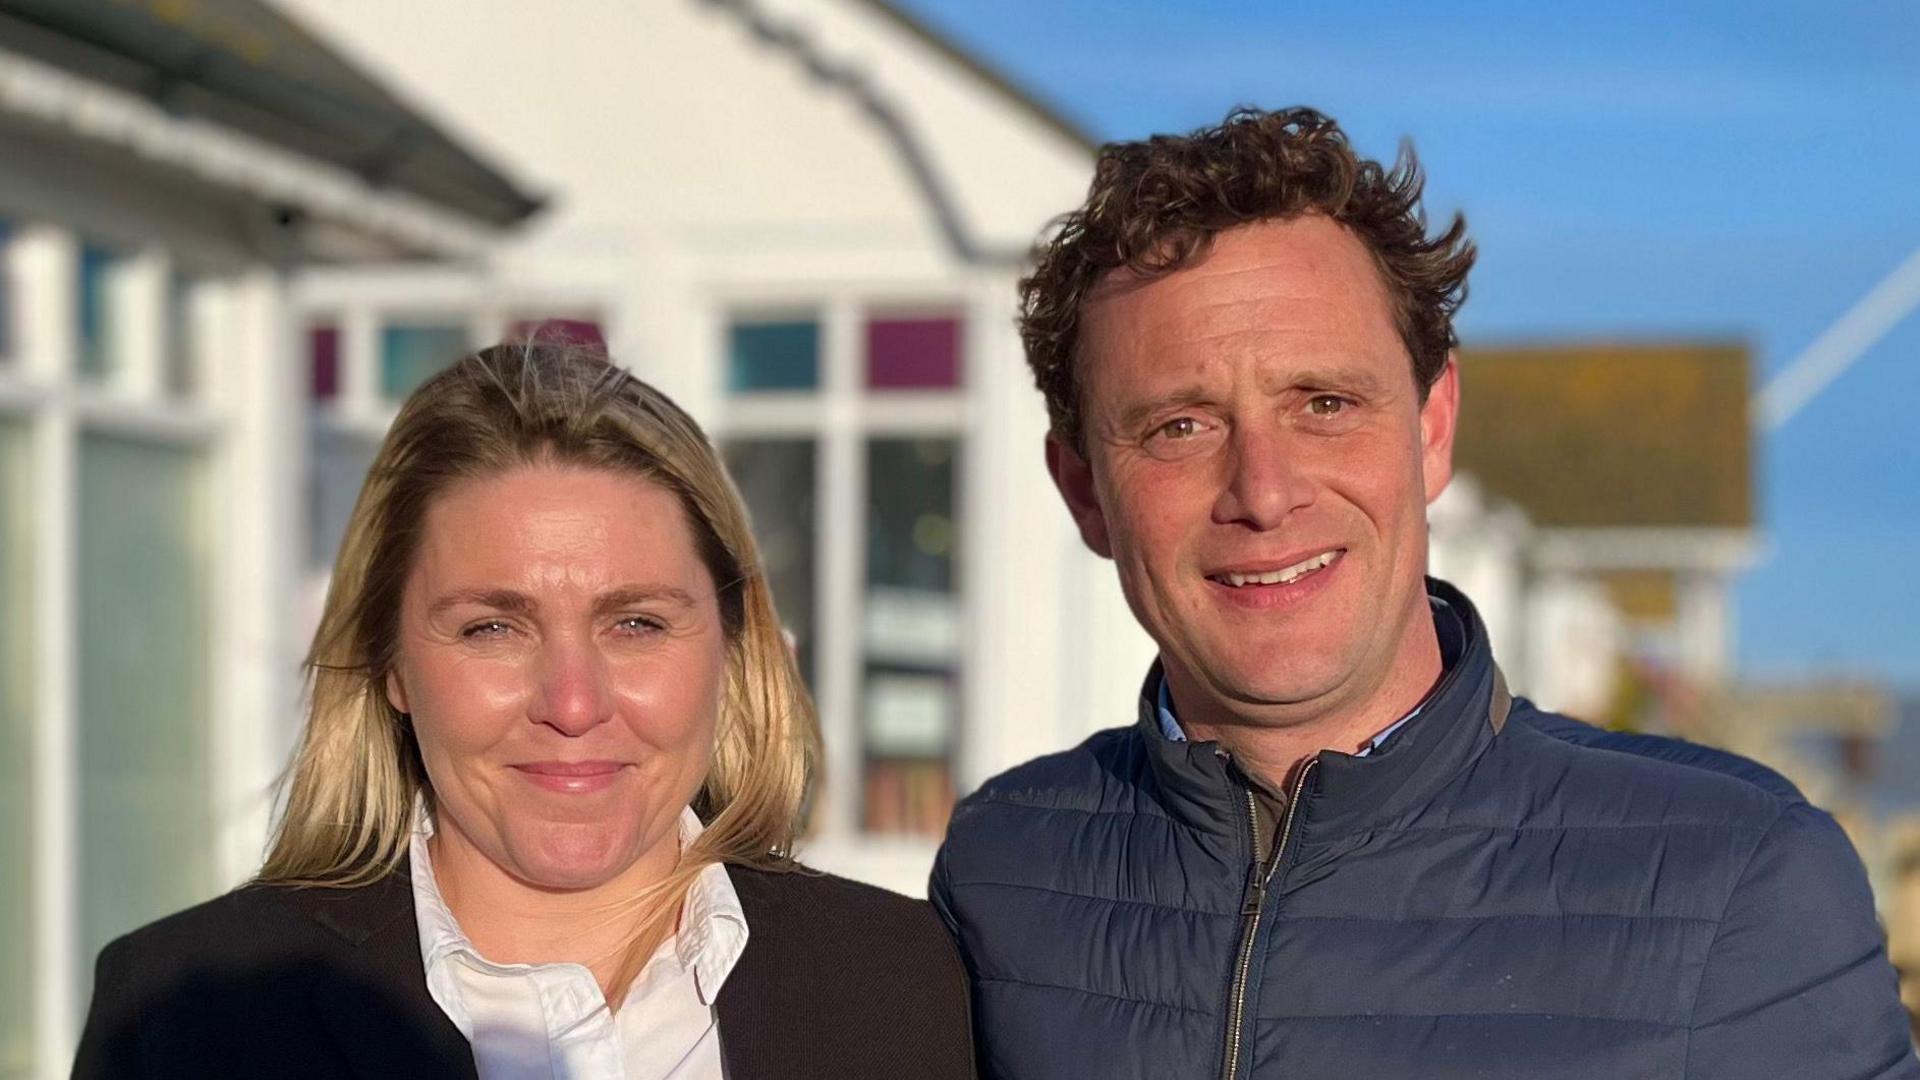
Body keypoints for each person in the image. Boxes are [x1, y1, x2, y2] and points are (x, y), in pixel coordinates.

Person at [930, 106, 1919, 1079]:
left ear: (1434, 425)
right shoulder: (1002, 872)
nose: (1265, 493)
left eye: (1324, 403)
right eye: (1179, 427)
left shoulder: (1740, 882)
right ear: (1081, 491)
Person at [74, 345, 974, 1080]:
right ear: (390, 660)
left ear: (732, 649)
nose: (573, 705)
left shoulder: (901, 984)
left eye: (636, 623)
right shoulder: (189, 1021)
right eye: (493, 626)